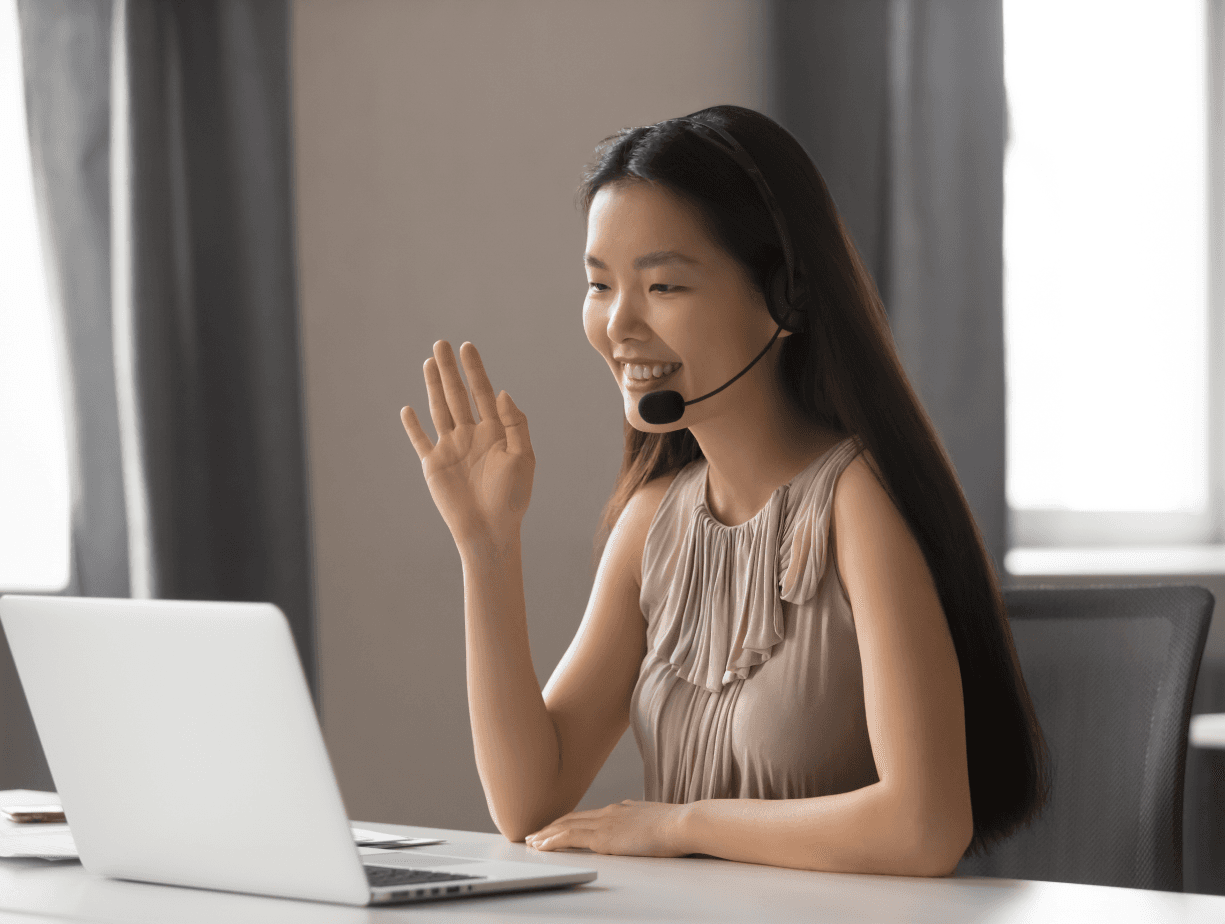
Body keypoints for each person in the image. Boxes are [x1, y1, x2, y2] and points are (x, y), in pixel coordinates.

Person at [399, 104, 1048, 877]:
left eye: (663, 285)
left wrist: (680, 825)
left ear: (787, 297)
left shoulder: (855, 502)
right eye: (599, 285)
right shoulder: (653, 522)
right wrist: (487, 545)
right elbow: (529, 804)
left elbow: (923, 826)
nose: (618, 325)